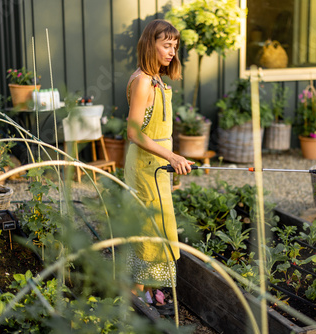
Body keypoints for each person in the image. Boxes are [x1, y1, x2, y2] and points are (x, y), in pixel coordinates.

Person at [124, 19, 194, 315]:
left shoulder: (158, 80)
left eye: (174, 46)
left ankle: (151, 290)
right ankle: (134, 298)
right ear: (149, 44)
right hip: (144, 166)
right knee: (148, 228)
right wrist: (172, 156)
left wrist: (172, 159)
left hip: (157, 164)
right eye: (166, 45)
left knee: (160, 227)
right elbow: (134, 132)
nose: (171, 51)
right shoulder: (142, 81)